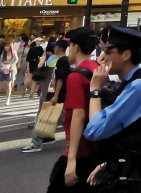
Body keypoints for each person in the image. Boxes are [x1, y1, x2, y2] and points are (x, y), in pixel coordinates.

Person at [83, 26, 141, 192]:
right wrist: (111, 163)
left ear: (126, 54)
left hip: (136, 178)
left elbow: (94, 130)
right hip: (136, 168)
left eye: (108, 52)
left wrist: (95, 90)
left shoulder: (137, 86)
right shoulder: (139, 79)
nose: (103, 57)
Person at [48, 28, 101, 193]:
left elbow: (78, 115)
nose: (68, 49)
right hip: (96, 148)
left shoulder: (76, 76)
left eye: (70, 45)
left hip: (80, 151)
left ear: (76, 47)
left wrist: (71, 160)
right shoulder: (97, 68)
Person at [0, 40, 17, 104]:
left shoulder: (13, 52)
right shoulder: (3, 52)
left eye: (7, 46)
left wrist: (9, 62)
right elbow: (0, 60)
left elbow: (16, 60)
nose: (6, 47)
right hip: (2, 68)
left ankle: (7, 99)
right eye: (5, 46)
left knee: (8, 85)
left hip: (9, 69)